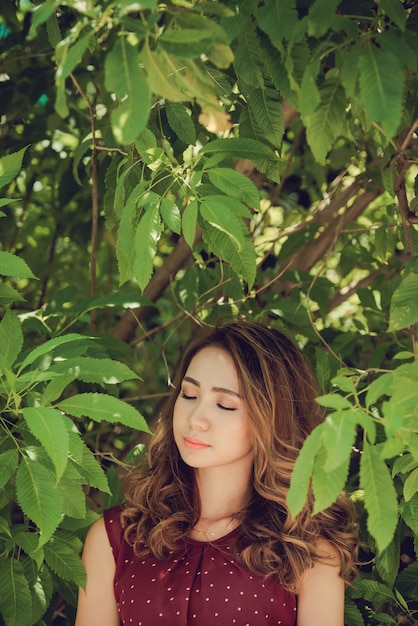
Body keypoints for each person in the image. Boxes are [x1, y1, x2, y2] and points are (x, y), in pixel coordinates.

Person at [75, 319, 358, 626]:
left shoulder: (307, 550)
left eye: (224, 405)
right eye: (189, 395)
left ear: (273, 419)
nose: (196, 418)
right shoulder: (117, 536)